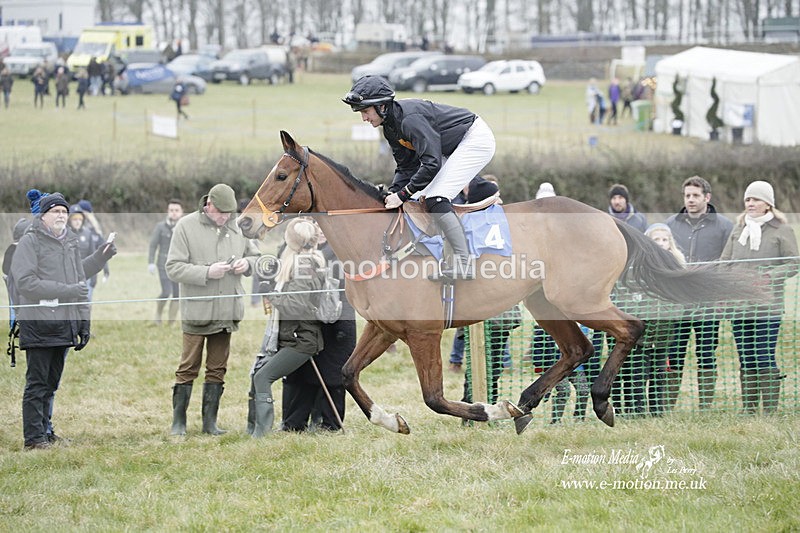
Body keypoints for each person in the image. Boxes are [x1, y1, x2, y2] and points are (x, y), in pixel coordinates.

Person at [342, 75, 496, 279]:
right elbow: (407, 167)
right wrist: (393, 193)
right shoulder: (390, 127)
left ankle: (463, 263)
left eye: (365, 111)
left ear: (382, 107)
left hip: (475, 139)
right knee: (420, 197)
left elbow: (431, 163)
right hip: (453, 146)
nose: (364, 118)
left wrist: (403, 194)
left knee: (436, 198)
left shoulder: (410, 120)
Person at [165, 184, 260, 436]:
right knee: (188, 368)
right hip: (197, 312)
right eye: (222, 213)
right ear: (209, 206)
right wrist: (207, 272)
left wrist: (246, 264)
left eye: (230, 214)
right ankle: (179, 423)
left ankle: (210, 423)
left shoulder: (237, 226)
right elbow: (173, 267)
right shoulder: (185, 226)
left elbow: (257, 257)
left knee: (218, 368)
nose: (226, 218)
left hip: (227, 311)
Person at [10, 194, 90, 450]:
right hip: (39, 324)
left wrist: (83, 322)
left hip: (64, 325)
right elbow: (26, 283)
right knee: (37, 383)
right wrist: (66, 291)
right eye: (55, 211)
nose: (60, 216)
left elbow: (80, 284)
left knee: (52, 383)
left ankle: (46, 431)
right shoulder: (29, 242)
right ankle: (33, 439)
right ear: (43, 215)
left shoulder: (71, 243)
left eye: (64, 212)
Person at [720, 180, 798, 415]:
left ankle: (769, 411)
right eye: (748, 199)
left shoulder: (782, 230)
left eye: (755, 199)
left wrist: (768, 276)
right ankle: (749, 409)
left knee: (763, 355)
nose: (750, 204)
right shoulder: (738, 230)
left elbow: (794, 263)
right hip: (738, 306)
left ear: (768, 204)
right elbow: (724, 262)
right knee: (745, 356)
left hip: (767, 306)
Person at [248, 218, 325, 437]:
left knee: (262, 377)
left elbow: (297, 306)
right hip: (294, 336)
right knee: (258, 373)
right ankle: (253, 427)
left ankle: (261, 434)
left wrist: (271, 294)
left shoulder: (304, 264)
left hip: (301, 340)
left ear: (293, 241)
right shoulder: (304, 260)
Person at [666, 176, 733, 411]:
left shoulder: (724, 226)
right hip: (677, 303)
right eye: (687, 195)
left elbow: (730, 263)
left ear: (707, 197)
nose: (691, 200)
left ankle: (705, 405)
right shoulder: (670, 224)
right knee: (673, 354)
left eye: (695, 195)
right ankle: (666, 405)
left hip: (708, 302)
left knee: (706, 353)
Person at [280, 224, 356, 432]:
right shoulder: (298, 252)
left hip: (338, 320)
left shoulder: (342, 251)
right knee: (300, 373)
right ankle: (294, 423)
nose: (321, 229)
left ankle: (330, 424)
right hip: (308, 323)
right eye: (316, 225)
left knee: (333, 374)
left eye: (324, 225)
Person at [148, 199, 183, 326]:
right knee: (166, 291)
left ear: (181, 212)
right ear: (168, 211)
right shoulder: (160, 227)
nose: (174, 213)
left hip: (179, 265)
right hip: (163, 264)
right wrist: (151, 262)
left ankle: (171, 322)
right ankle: (158, 316)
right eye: (171, 210)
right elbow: (153, 245)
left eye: (176, 210)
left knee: (177, 294)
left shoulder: (184, 226)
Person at [67, 204, 109, 300]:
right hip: (69, 277)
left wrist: (94, 278)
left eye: (79, 219)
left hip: (86, 276)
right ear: (69, 220)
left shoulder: (87, 234)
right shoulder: (65, 234)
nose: (77, 222)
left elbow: (93, 255)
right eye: (74, 219)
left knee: (86, 304)